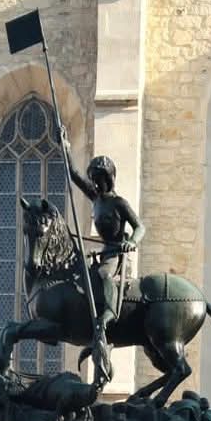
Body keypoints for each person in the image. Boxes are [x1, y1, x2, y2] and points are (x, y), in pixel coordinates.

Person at [65, 142, 145, 359]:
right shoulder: (95, 198)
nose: (96, 184)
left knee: (104, 274)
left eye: (99, 179)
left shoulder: (119, 204)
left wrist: (132, 242)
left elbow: (140, 227)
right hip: (104, 250)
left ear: (108, 178)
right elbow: (74, 175)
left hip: (117, 252)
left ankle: (110, 312)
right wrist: (66, 148)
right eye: (94, 179)